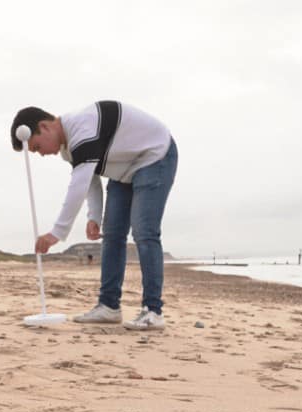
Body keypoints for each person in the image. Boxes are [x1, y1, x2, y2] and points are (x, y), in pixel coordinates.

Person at [10, 101, 177, 330]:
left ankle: (153, 311)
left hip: (155, 155)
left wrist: (56, 233)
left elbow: (78, 185)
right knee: (112, 234)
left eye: (37, 147)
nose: (41, 154)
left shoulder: (82, 127)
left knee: (144, 231)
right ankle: (109, 307)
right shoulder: (69, 149)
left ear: (45, 127)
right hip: (125, 169)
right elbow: (90, 180)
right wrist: (94, 217)